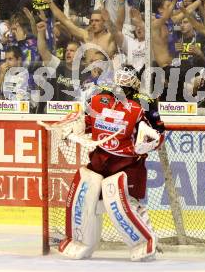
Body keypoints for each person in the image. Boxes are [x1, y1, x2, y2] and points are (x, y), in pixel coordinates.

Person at [56, 64, 165, 261]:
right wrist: (73, 126)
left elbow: (159, 133)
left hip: (128, 165)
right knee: (84, 196)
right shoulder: (99, 99)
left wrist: (149, 142)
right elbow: (85, 121)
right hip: (100, 161)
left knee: (125, 204)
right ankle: (79, 240)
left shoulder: (144, 104)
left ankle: (145, 242)